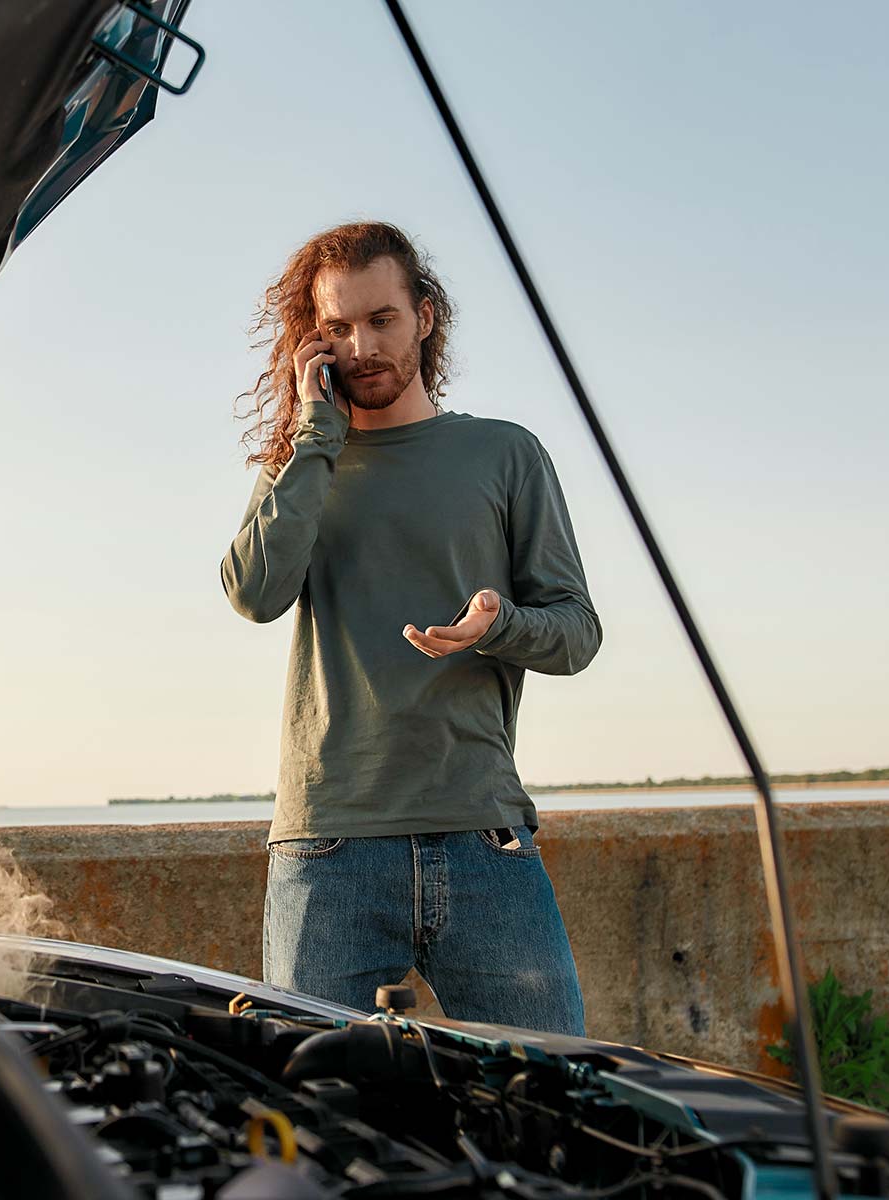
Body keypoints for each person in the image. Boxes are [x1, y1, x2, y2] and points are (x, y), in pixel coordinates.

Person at [220, 221, 600, 1034]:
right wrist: (317, 438)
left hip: (482, 835)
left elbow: (576, 631)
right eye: (337, 328)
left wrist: (499, 626)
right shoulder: (297, 466)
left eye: (382, 319)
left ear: (424, 316)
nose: (361, 346)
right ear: (311, 341)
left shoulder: (504, 454)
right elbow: (254, 593)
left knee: (552, 1094)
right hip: (327, 849)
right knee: (308, 1104)